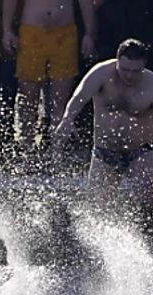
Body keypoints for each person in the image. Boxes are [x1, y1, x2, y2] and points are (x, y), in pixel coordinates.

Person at [54, 39, 153, 203]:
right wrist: (67, 119)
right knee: (98, 208)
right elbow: (80, 96)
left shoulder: (150, 84)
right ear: (117, 61)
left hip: (140, 151)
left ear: (143, 65)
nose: (129, 75)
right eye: (125, 69)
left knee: (147, 200)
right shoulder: (101, 73)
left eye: (135, 71)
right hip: (105, 151)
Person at [1, 0, 93, 149]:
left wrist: (89, 33)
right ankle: (26, 147)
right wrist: (7, 30)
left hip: (64, 33)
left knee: (61, 98)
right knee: (28, 96)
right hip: (32, 31)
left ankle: (57, 150)